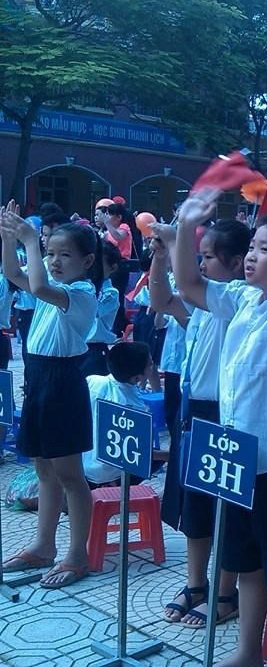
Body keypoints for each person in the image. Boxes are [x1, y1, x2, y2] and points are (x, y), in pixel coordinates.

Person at [172, 153, 267, 667]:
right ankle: (247, 653)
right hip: (234, 459)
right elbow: (190, 286)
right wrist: (188, 230)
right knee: (245, 563)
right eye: (253, 248)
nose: (253, 257)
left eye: (266, 249)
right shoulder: (242, 300)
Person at [152, 218, 250, 629]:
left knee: (226, 507)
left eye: (208, 257)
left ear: (237, 262)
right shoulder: (202, 305)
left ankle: (227, 592)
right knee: (194, 504)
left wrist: (178, 241)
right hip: (194, 412)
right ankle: (196, 583)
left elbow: (190, 284)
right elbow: (161, 300)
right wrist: (161, 255)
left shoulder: (238, 302)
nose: (202, 264)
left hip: (227, 419)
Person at [0, 208, 100, 589]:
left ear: (87, 261)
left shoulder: (80, 293)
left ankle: (77, 554)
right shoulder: (50, 284)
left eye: (64, 255)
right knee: (43, 468)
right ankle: (43, 545)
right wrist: (11, 239)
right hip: (38, 378)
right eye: (50, 253)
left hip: (62, 383)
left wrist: (31, 240)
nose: (54, 262)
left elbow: (39, 286)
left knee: (70, 475)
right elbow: (14, 274)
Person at [82, 341, 152, 487]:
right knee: (161, 457)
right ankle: (112, 485)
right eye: (150, 364)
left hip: (83, 463)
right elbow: (138, 451)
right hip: (106, 472)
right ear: (136, 378)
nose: (153, 366)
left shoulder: (92, 381)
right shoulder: (132, 405)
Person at [81, 242, 122, 377]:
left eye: (98, 262)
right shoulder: (83, 286)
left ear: (112, 268)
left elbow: (91, 311)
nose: (93, 266)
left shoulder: (111, 293)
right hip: (76, 347)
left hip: (94, 350)